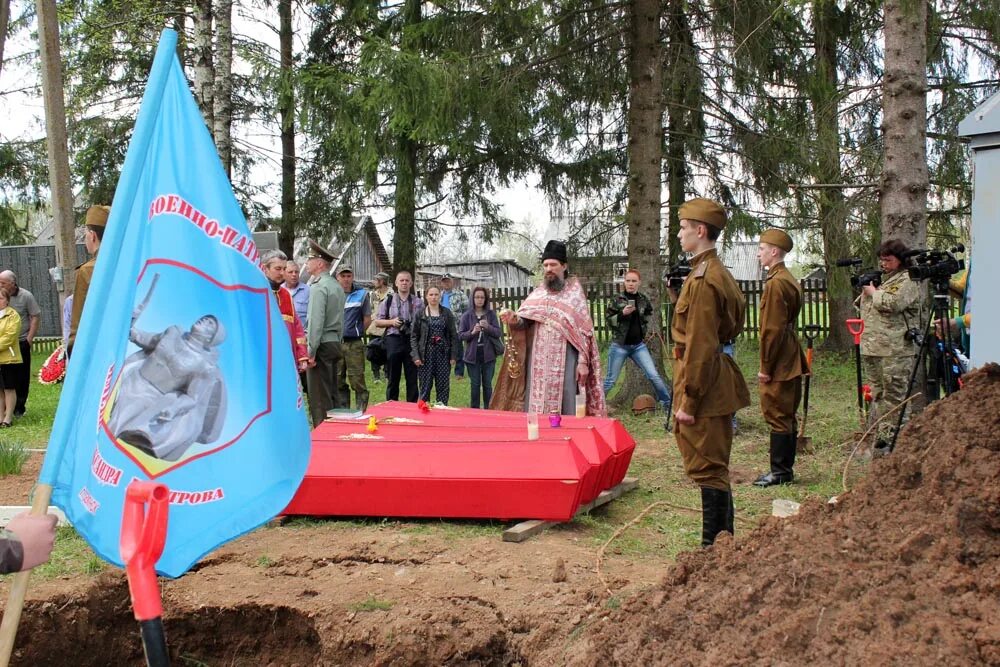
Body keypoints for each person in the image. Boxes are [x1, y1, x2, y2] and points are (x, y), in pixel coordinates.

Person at [670, 198, 749, 547]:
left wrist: (688, 400)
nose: (679, 234)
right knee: (713, 464)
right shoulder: (718, 272)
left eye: (684, 228)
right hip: (716, 376)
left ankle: (712, 549)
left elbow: (700, 345)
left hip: (705, 381)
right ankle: (722, 544)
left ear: (700, 231)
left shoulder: (704, 279)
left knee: (708, 466)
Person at [495, 240, 606, 416]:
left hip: (568, 360)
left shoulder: (574, 295)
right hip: (537, 362)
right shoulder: (538, 293)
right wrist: (514, 319)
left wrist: (583, 362)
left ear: (564, 266)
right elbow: (525, 323)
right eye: (545, 265)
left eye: (553, 264)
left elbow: (585, 333)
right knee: (536, 403)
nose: (548, 269)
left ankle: (567, 437)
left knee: (568, 402)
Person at [107, 314, 227, 462]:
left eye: (210, 324)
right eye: (206, 318)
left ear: (210, 339)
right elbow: (149, 340)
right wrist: (130, 330)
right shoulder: (173, 332)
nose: (204, 320)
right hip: (131, 379)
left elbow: (192, 397)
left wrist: (174, 409)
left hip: (151, 397)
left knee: (116, 423)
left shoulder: (205, 367)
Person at [752, 230, 809, 487]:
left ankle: (780, 472)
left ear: (774, 251)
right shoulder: (788, 279)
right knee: (786, 411)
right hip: (789, 351)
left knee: (777, 410)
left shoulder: (776, 283)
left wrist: (766, 366)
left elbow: (771, 331)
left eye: (762, 249)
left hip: (781, 356)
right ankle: (784, 469)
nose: (759, 253)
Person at [860, 239, 924, 454]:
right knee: (878, 394)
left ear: (900, 260)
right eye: (882, 260)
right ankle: (885, 437)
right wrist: (870, 290)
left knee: (895, 395)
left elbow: (893, 304)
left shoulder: (908, 280)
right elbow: (866, 309)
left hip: (895, 350)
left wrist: (873, 293)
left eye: (888, 260)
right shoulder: (886, 281)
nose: (884, 264)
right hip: (873, 346)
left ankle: (900, 442)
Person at [603, 268, 672, 428]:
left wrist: (644, 331)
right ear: (624, 282)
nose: (631, 284)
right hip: (620, 346)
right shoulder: (617, 300)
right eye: (628, 281)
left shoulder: (642, 299)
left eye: (634, 281)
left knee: (653, 375)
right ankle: (596, 406)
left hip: (638, 346)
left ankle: (667, 405)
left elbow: (648, 314)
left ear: (639, 283)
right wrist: (622, 314)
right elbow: (609, 320)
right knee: (610, 380)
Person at [305, 240, 345, 425]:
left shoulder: (319, 286)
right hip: (335, 342)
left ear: (320, 263)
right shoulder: (336, 286)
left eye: (310, 259)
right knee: (332, 391)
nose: (307, 263)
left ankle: (322, 434)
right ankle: (336, 430)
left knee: (319, 396)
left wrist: (310, 351)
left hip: (321, 345)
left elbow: (315, 322)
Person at [373, 271, 423, 402]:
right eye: (401, 280)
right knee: (393, 377)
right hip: (393, 340)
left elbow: (424, 324)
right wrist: (392, 322)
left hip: (411, 341)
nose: (404, 283)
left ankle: (412, 408)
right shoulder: (388, 300)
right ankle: (391, 406)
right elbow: (377, 322)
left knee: (412, 378)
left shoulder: (418, 302)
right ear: (396, 283)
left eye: (407, 280)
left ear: (411, 283)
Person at [68, 205, 110, 356]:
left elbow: (78, 325)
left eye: (85, 233)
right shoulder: (130, 266)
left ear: (92, 235)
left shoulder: (87, 271)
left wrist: (72, 349)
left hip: (98, 351)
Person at [261, 250, 309, 380]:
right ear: (265, 268)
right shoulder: (256, 293)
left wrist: (302, 355)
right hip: (263, 359)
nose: (282, 273)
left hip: (287, 357)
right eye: (278, 269)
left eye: (284, 269)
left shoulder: (286, 294)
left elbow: (297, 328)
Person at [411, 286, 462, 404]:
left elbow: (453, 335)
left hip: (443, 354)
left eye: (436, 295)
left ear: (440, 296)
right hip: (425, 355)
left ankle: (442, 411)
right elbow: (414, 336)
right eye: (431, 295)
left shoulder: (446, 313)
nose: (433, 297)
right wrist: (416, 356)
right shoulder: (420, 314)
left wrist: (453, 355)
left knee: (443, 387)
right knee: (425, 387)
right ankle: (424, 412)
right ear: (426, 296)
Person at [458, 287, 502, 409]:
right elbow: (461, 335)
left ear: (485, 299)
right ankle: (475, 410)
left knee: (488, 384)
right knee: (475, 385)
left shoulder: (491, 314)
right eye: (477, 297)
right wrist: (472, 332)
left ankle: (489, 409)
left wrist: (488, 327)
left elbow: (498, 333)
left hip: (488, 355)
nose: (479, 300)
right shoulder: (466, 316)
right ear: (472, 298)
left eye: (482, 297)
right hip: (472, 356)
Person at [336, 265, 371, 411]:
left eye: (348, 276)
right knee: (337, 380)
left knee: (357, 379)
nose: (346, 279)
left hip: (354, 344)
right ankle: (344, 411)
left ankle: (360, 411)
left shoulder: (362, 294)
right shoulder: (331, 293)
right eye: (343, 276)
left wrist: (356, 332)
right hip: (336, 344)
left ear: (352, 277)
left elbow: (367, 318)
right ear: (337, 277)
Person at [0, 289, 23, 428]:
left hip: (9, 358)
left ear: (7, 300)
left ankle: (8, 417)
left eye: (1, 298)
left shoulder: (13, 315)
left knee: (9, 388)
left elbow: (10, 336)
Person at [440, 273, 469, 381]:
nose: (446, 283)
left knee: (458, 350)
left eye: (448, 281)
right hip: (442, 327)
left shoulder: (460, 295)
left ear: (452, 282)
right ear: (441, 283)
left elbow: (467, 311)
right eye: (444, 281)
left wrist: (463, 324)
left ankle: (459, 373)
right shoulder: (440, 295)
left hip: (456, 327)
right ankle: (443, 371)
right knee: (443, 349)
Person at [366, 272, 393, 382]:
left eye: (376, 280)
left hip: (387, 326)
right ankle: (376, 375)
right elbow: (370, 308)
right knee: (373, 350)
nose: (374, 282)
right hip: (374, 326)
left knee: (387, 351)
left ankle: (387, 374)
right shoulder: (373, 294)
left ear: (382, 281)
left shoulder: (391, 294)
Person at [284, 260, 310, 330]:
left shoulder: (308, 291)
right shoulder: (278, 290)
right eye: (290, 272)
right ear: (284, 274)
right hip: (284, 334)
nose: (294, 274)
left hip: (301, 335)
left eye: (296, 272)